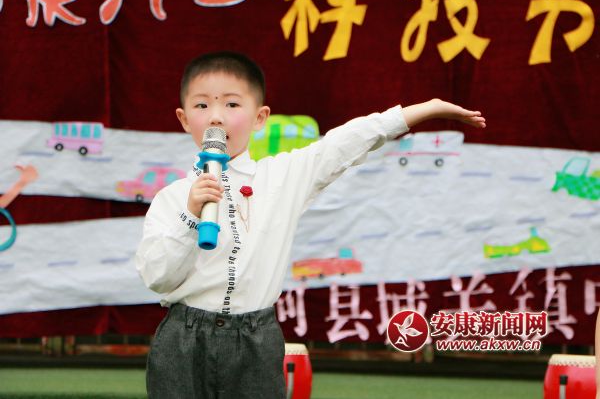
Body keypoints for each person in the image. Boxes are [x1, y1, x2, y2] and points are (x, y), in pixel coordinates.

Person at [135, 51, 486, 399]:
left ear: (260, 117)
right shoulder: (172, 197)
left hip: (254, 340)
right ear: (184, 119)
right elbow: (157, 277)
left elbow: (345, 143)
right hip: (184, 339)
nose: (216, 117)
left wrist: (424, 109)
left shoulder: (281, 177)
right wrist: (190, 215)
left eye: (231, 104)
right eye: (201, 105)